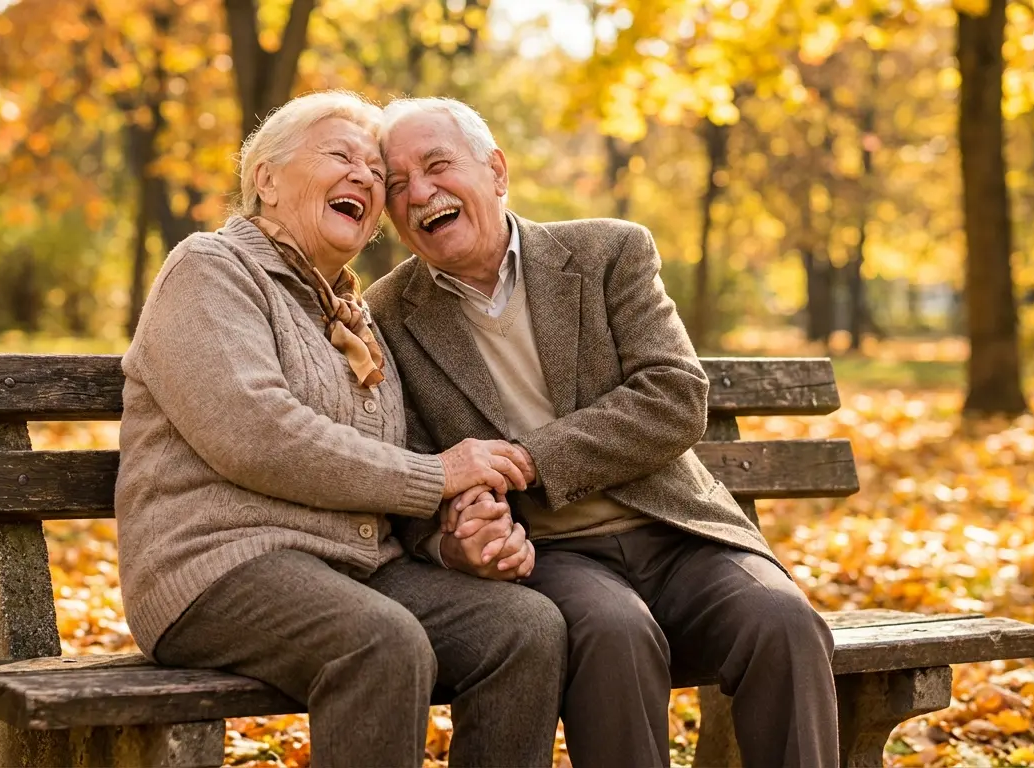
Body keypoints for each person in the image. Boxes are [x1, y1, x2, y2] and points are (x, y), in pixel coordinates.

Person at [364, 96, 840, 768]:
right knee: (615, 633)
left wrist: (529, 459)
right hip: (554, 556)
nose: (420, 193)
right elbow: (406, 466)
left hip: (680, 536)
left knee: (784, 622)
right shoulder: (384, 314)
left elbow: (674, 398)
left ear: (496, 171)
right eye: (396, 185)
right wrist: (454, 541)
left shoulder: (608, 251)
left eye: (438, 166)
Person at [115, 91, 567, 767]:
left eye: (374, 172)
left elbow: (403, 453)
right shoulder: (211, 269)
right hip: (219, 570)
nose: (365, 176)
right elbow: (256, 432)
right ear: (265, 178)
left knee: (526, 628)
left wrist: (460, 534)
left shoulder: (356, 317)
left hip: (356, 568)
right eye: (339, 155)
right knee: (381, 642)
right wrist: (439, 475)